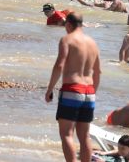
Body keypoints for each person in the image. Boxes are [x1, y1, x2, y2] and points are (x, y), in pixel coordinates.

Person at [45, 12, 101, 162]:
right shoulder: (92, 43)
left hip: (72, 90)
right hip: (89, 92)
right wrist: (93, 91)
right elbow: (98, 71)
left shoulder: (67, 40)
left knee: (67, 134)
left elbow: (59, 65)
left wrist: (50, 89)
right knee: (84, 136)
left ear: (68, 24)